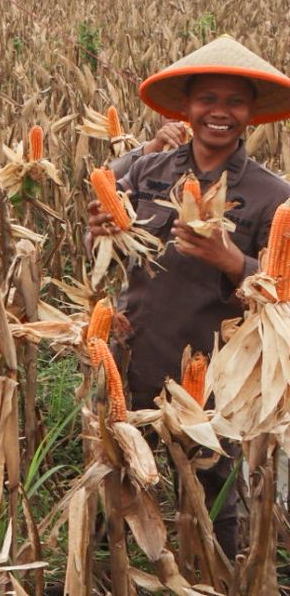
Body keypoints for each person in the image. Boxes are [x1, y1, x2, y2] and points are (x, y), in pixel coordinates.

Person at [89, 35, 290, 555]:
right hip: (134, 358)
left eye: (234, 102)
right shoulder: (147, 170)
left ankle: (216, 574)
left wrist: (231, 260)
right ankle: (109, 571)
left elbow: (282, 297)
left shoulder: (274, 196)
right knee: (117, 480)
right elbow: (107, 245)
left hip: (215, 375)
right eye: (207, 99)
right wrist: (101, 231)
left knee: (213, 497)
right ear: (186, 107)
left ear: (251, 114)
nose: (219, 112)